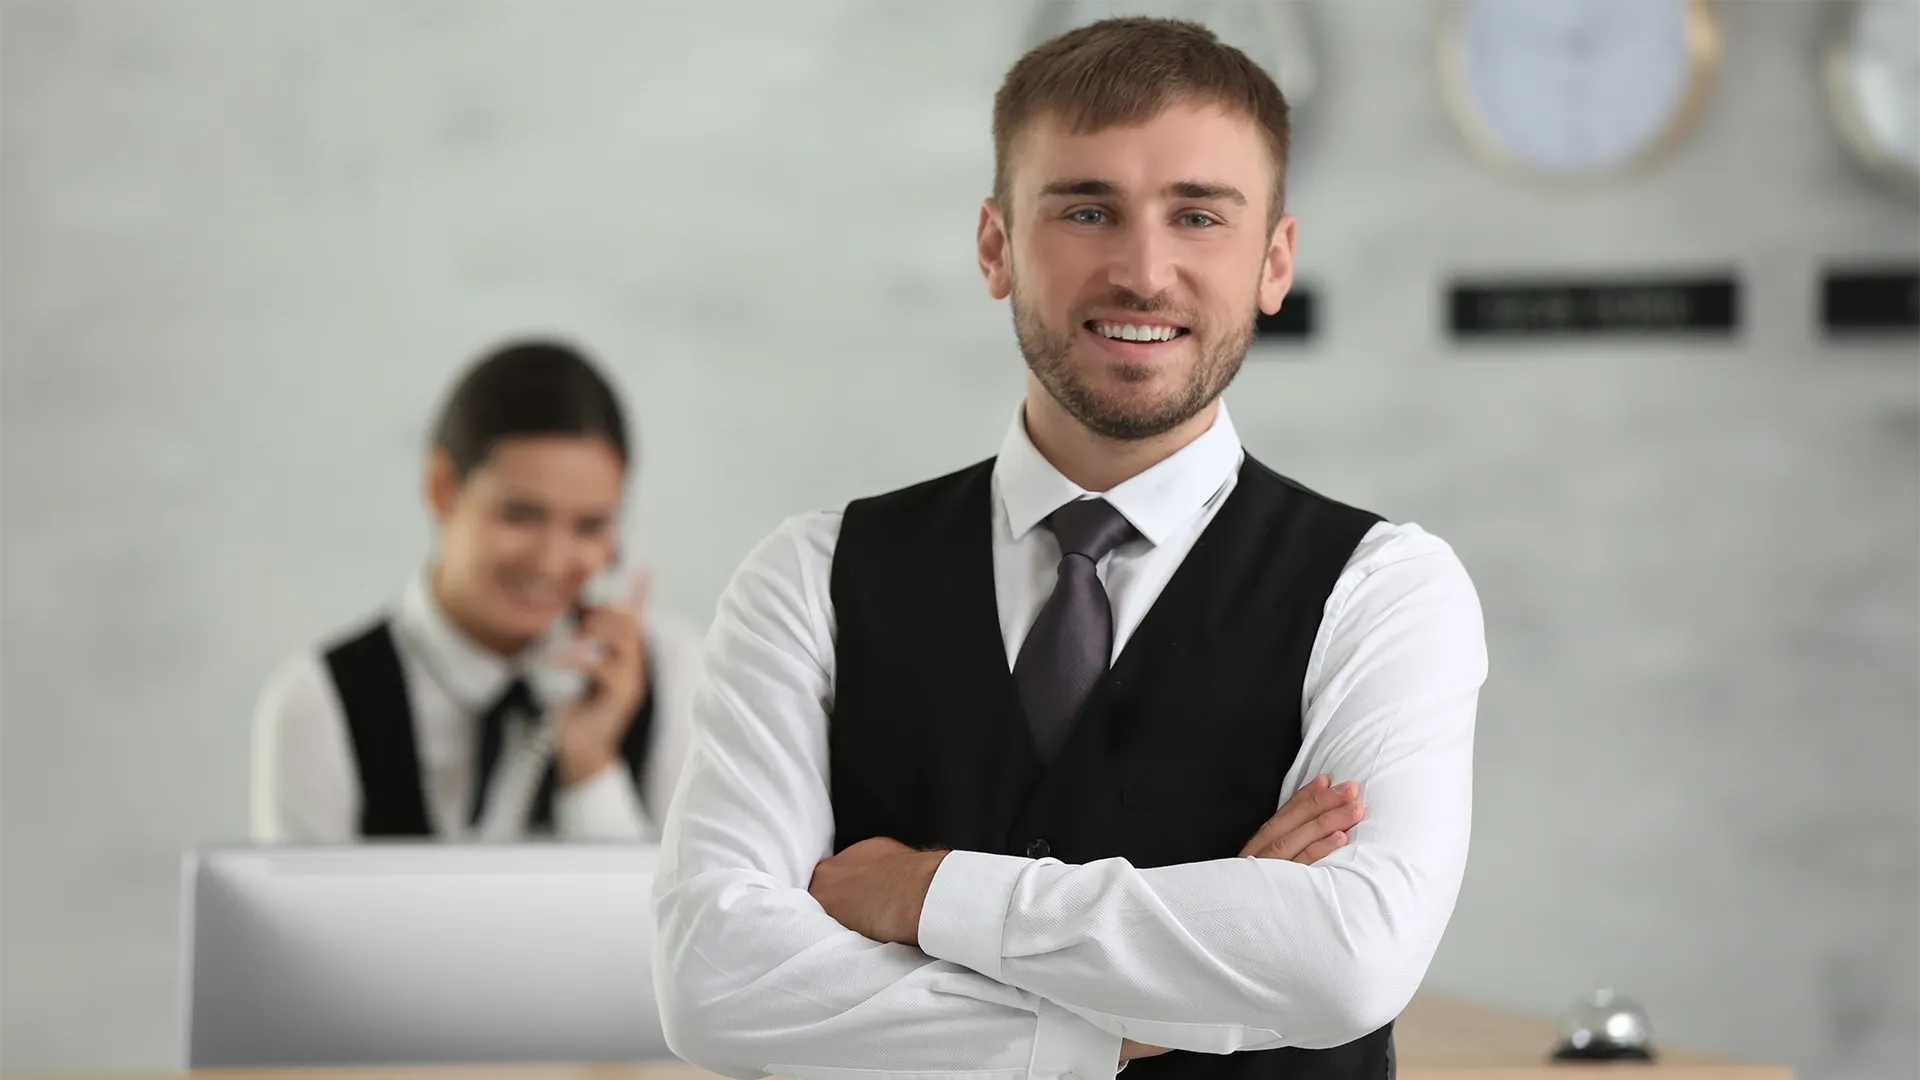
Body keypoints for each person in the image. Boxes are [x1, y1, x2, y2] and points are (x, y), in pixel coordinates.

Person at [652, 16, 1486, 1080]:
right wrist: (1139, 1014)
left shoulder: (1385, 590)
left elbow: (1345, 966)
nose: (1144, 272)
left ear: (1275, 262)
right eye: (1087, 209)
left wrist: (927, 893)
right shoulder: (807, 579)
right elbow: (714, 986)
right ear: (996, 245)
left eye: (1198, 216)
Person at [250, 338, 702, 844]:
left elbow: (676, 919)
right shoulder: (319, 703)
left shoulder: (673, 674)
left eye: (590, 526)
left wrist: (591, 764)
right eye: (520, 516)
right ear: (442, 487)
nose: (553, 562)